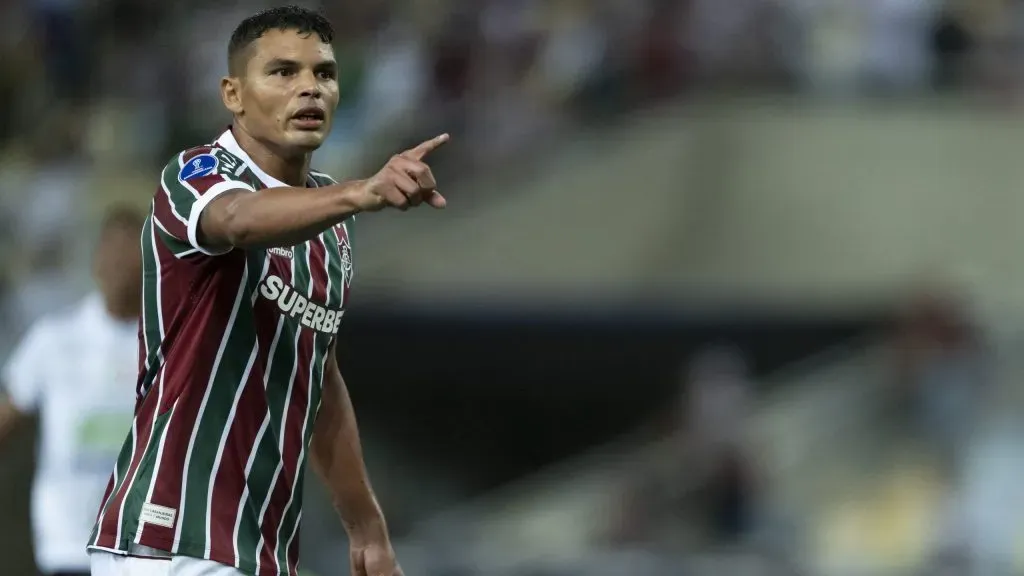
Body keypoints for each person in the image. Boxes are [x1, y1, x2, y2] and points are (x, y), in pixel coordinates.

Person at [87, 6, 447, 576]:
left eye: (324, 74)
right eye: (282, 72)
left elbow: (317, 375)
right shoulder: (194, 174)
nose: (309, 87)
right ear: (233, 94)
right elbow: (239, 220)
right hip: (173, 536)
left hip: (260, 549)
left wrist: (367, 528)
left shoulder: (329, 221)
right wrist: (363, 191)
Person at [0, 205, 145, 576]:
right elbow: (8, 414)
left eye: (130, 252)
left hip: (145, 550)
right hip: (68, 546)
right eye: (111, 251)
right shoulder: (54, 339)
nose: (118, 264)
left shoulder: (169, 346)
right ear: (96, 260)